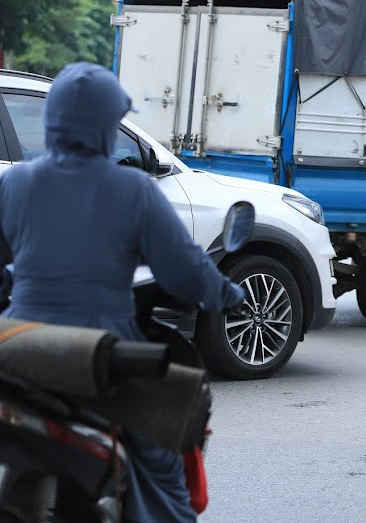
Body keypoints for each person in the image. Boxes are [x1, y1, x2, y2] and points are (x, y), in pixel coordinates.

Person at [0, 63, 245, 522]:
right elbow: (185, 272)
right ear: (104, 126)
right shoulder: (133, 188)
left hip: (19, 348)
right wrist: (225, 293)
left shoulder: (13, 183)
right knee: (165, 463)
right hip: (101, 357)